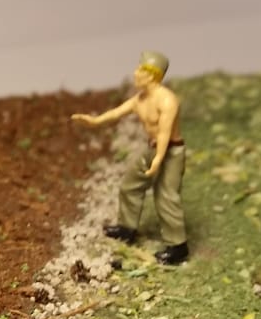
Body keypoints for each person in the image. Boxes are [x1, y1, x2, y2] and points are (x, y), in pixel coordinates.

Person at [71, 51, 189, 265]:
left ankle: (178, 246)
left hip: (171, 152)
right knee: (130, 185)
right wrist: (94, 121)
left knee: (165, 196)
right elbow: (116, 113)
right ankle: (127, 228)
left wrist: (158, 159)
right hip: (153, 148)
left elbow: (164, 133)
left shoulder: (167, 101)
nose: (135, 73)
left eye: (140, 69)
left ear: (151, 75)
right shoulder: (140, 99)